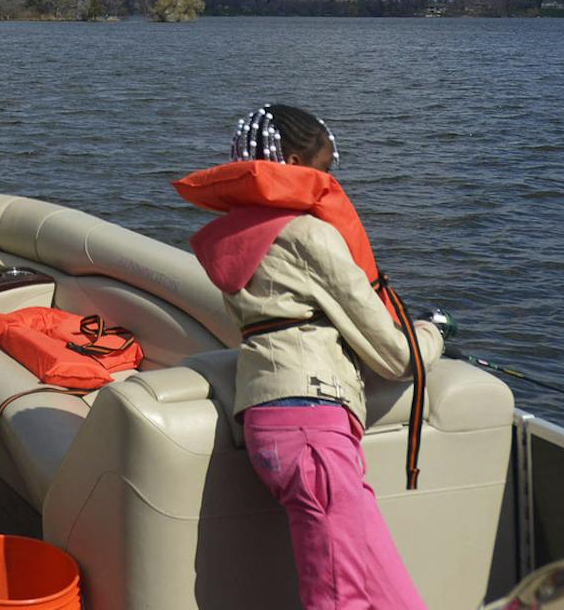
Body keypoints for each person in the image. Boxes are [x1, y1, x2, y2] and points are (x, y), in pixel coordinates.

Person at [174, 103, 441, 610]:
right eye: (322, 170)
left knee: (393, 597)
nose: (327, 184)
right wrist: (434, 333)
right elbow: (393, 355)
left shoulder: (235, 239)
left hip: (271, 422)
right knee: (340, 598)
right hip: (315, 430)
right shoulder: (309, 235)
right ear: (294, 162)